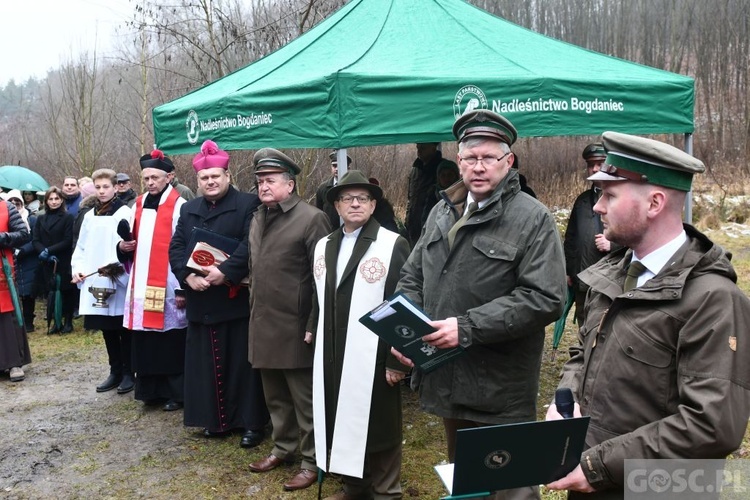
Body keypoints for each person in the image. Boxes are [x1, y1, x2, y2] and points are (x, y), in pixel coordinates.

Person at [546, 132, 750, 499]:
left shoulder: (713, 300)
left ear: (654, 203)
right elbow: (582, 352)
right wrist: (563, 402)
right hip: (589, 480)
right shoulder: (611, 276)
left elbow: (712, 425)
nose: (597, 207)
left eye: (610, 195)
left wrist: (597, 467)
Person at [394, 110, 566, 500]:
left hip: (499, 386)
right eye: (470, 158)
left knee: (510, 487)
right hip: (447, 373)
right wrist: (406, 332)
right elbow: (412, 276)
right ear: (459, 161)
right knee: (468, 482)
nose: (479, 166)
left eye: (489, 158)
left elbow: (545, 297)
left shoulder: (532, 218)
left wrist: (467, 327)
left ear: (509, 162)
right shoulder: (443, 210)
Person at [311, 169, 410, 499]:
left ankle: (385, 491)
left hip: (375, 354)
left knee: (379, 425)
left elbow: (403, 305)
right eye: (347, 198)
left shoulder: (391, 244)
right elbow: (319, 295)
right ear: (336, 205)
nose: (355, 204)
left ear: (372, 204)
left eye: (362, 198)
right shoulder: (324, 245)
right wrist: (313, 328)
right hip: (333, 352)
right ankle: (355, 485)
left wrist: (397, 361)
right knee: (339, 417)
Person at [168, 140, 269, 448]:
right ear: (197, 181)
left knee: (242, 366)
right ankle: (217, 421)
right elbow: (176, 248)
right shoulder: (188, 209)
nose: (210, 182)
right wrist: (187, 277)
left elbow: (249, 244)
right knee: (206, 366)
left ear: (227, 175)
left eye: (216, 176)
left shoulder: (249, 203)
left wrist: (225, 272)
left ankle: (251, 423)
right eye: (204, 178)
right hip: (201, 299)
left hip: (232, 298)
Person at [247, 148, 331, 492]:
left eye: (270, 180)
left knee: (305, 399)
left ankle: (313, 461)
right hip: (263, 322)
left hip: (297, 327)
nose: (263, 187)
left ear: (290, 184)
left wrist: (314, 322)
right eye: (259, 181)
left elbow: (322, 278)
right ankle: (284, 447)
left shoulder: (312, 218)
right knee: (275, 396)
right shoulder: (257, 217)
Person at [117, 150, 188, 411]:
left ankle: (174, 393)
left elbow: (185, 247)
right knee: (145, 340)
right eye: (146, 178)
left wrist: (182, 287)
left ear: (169, 177)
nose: (150, 183)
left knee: (169, 340)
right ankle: (150, 390)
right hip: (141, 282)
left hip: (168, 282)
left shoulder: (179, 205)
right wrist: (123, 246)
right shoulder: (137, 203)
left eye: (155, 178)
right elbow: (131, 239)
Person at [71, 169, 133, 394]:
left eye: (106, 186)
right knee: (106, 328)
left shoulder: (124, 212)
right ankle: (114, 370)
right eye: (98, 187)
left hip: (117, 278)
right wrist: (78, 269)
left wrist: (116, 267)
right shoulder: (89, 215)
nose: (102, 191)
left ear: (116, 187)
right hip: (95, 278)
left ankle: (128, 372)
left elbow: (128, 244)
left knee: (121, 326)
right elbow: (82, 246)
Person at [563, 143, 619, 325]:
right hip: (582, 281)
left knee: (606, 328)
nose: (594, 168)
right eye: (590, 164)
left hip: (610, 282)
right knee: (584, 329)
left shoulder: (622, 198)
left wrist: (613, 245)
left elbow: (642, 239)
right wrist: (568, 271)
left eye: (600, 162)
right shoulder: (581, 201)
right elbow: (571, 239)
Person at [32, 187, 76, 334]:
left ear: (61, 200)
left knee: (66, 291)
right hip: (47, 261)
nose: (54, 202)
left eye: (57, 198)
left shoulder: (67, 217)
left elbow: (68, 239)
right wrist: (43, 252)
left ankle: (68, 322)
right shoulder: (41, 218)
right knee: (51, 291)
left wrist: (50, 250)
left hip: (63, 259)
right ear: (46, 201)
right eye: (51, 199)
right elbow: (36, 239)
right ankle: (55, 321)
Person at [0, 195, 31, 382]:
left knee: (7, 317)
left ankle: (14, 363)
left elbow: (23, 234)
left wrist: (2, 237)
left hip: (3, 271)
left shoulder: (6, 207)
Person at [404, 142, 458, 247]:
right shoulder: (415, 169)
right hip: (414, 226)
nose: (419, 151)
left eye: (423, 147)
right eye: (418, 147)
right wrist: (408, 219)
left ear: (433, 148)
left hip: (435, 228)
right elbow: (410, 197)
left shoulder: (443, 167)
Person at [7, 191, 39, 332]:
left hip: (28, 259)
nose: (14, 203)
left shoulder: (31, 219)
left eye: (17, 201)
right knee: (13, 291)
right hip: (10, 258)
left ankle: (28, 322)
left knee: (28, 293)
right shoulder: (5, 217)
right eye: (11, 201)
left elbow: (36, 239)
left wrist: (23, 250)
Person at [315, 150, 351, 229]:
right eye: (334, 166)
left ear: (348, 168)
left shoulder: (354, 188)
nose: (337, 169)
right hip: (329, 231)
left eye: (340, 166)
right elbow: (318, 212)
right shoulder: (323, 188)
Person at [421, 160, 460, 226]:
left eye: (450, 175)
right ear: (438, 178)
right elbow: (426, 219)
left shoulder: (462, 194)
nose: (446, 178)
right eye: (443, 175)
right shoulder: (432, 195)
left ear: (456, 176)